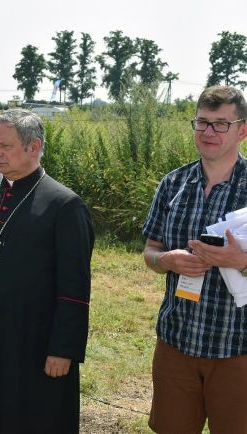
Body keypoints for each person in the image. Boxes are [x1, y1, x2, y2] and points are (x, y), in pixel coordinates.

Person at [0, 109, 94, 433]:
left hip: (30, 340)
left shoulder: (64, 206)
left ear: (33, 146)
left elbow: (74, 288)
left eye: (6, 146)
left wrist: (63, 348)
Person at [142, 85, 247, 433]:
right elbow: (150, 251)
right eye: (202, 122)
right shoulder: (173, 184)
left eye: (221, 124)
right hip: (177, 342)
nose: (208, 132)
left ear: (242, 130)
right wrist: (166, 261)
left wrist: (240, 260)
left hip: (237, 348)